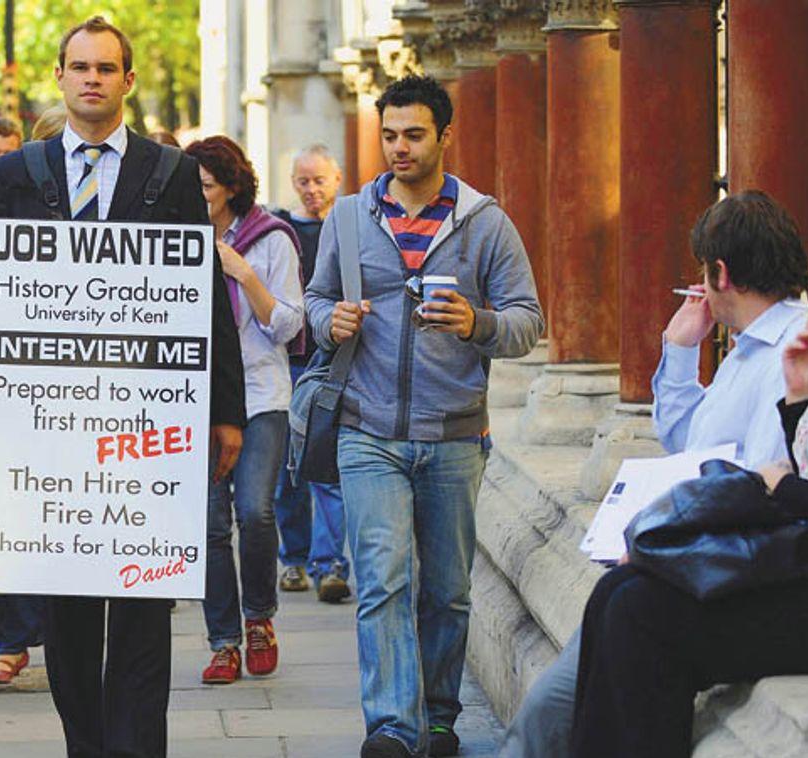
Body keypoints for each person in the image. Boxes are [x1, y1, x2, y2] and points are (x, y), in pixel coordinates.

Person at [0, 16, 246, 757]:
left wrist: (225, 413)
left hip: (148, 427)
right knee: (70, 615)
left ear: (127, 80)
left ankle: (138, 749)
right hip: (52, 435)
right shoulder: (16, 172)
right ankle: (86, 744)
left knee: (145, 606)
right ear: (60, 76)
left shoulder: (170, 172)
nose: (91, 79)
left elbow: (206, 299)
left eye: (105, 68)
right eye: (79, 67)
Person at [500, 190, 808, 758]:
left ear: (719, 273)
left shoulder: (791, 351)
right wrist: (677, 351)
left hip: (715, 564)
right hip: (681, 554)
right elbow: (686, 441)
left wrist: (657, 541)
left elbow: (758, 482)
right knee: (555, 700)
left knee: (551, 707)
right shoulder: (745, 349)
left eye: (702, 268)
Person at [305, 74, 543, 758]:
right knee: (381, 580)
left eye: (413, 135)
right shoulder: (349, 218)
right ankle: (391, 727)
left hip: (453, 436)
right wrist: (333, 320)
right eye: (388, 136)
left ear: (443, 135)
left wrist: (476, 322)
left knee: (446, 591)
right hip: (365, 429)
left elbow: (526, 323)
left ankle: (438, 718)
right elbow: (315, 303)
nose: (398, 149)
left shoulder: (484, 222)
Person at [570, 208, 808, 757]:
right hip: (803, 564)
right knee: (618, 594)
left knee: (638, 615)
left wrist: (781, 485)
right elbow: (702, 447)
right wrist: (798, 404)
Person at [186, 135, 302, 685]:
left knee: (254, 511)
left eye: (206, 186)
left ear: (231, 187)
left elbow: (287, 326)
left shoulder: (271, 239)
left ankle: (259, 617)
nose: (198, 195)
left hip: (259, 395)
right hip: (197, 401)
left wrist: (242, 273)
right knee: (209, 526)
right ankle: (223, 641)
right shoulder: (177, 238)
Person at [272, 144, 351, 602]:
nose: (312, 189)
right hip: (290, 359)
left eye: (319, 180)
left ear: (336, 179)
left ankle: (330, 564)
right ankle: (294, 559)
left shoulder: (350, 229)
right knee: (288, 473)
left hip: (332, 361)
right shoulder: (282, 230)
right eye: (303, 180)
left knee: (326, 466)